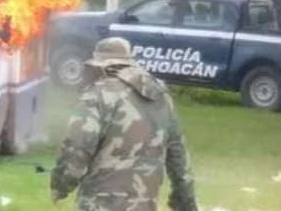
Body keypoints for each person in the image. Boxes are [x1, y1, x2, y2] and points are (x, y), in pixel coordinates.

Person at [50, 37, 198, 211]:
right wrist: (185, 201)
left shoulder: (98, 96)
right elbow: (178, 154)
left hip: (100, 203)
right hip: (145, 203)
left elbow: (78, 146)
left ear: (102, 66)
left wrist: (61, 185)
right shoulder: (161, 97)